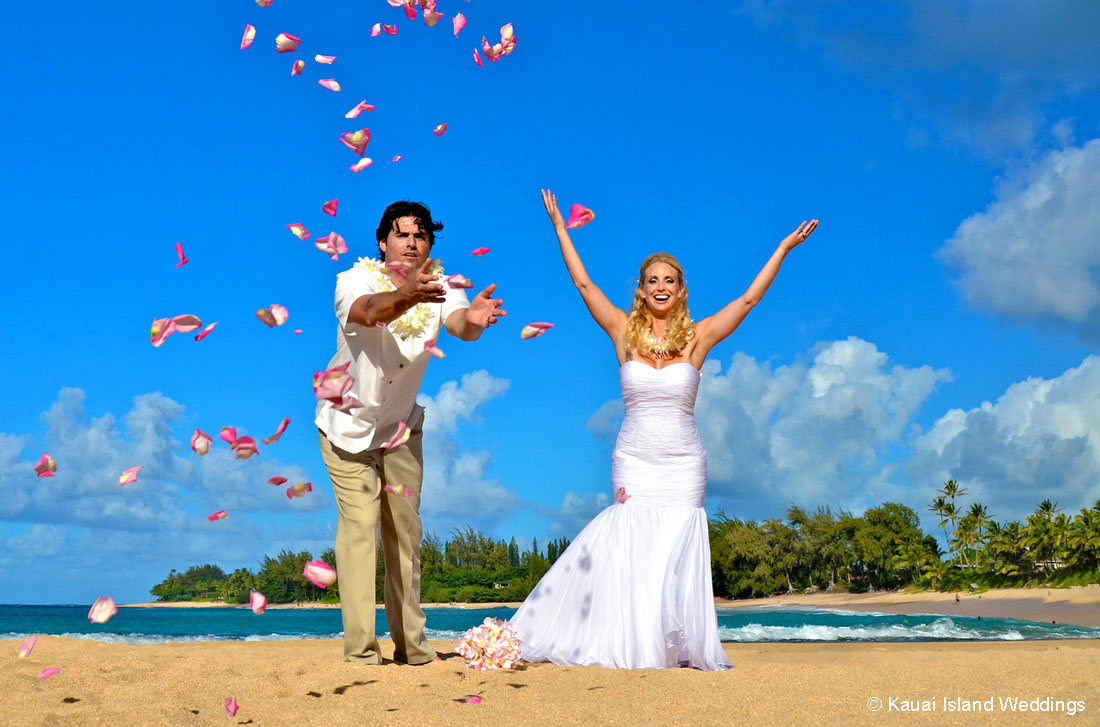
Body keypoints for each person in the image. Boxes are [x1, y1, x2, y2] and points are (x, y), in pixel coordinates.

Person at [508, 190, 817, 670]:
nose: (660, 287)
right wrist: (560, 229)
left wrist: (781, 248)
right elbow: (585, 287)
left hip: (683, 462)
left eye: (668, 280)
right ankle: (629, 644)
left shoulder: (698, 338)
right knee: (631, 546)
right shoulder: (622, 333)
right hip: (634, 457)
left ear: (680, 288)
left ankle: (671, 646)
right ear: (640, 286)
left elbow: (750, 299)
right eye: (652, 280)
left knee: (673, 549)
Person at [316, 200, 506, 665]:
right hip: (347, 427)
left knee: (405, 532)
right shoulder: (352, 280)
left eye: (421, 235)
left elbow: (459, 322)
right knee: (360, 533)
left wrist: (474, 321)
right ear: (383, 242)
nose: (412, 242)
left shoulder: (441, 285)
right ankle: (362, 652)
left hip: (401, 429)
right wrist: (410, 297)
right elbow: (370, 310)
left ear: (429, 247)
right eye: (402, 234)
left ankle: (413, 649)